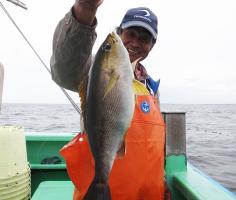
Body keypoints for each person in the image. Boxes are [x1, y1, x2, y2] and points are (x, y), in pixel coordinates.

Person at [51, 1, 169, 199]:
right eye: (131, 34)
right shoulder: (96, 71)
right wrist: (85, 10)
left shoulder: (150, 87)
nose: (136, 42)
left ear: (152, 45)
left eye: (145, 38)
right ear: (120, 32)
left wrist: (162, 179)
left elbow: (153, 147)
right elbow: (66, 69)